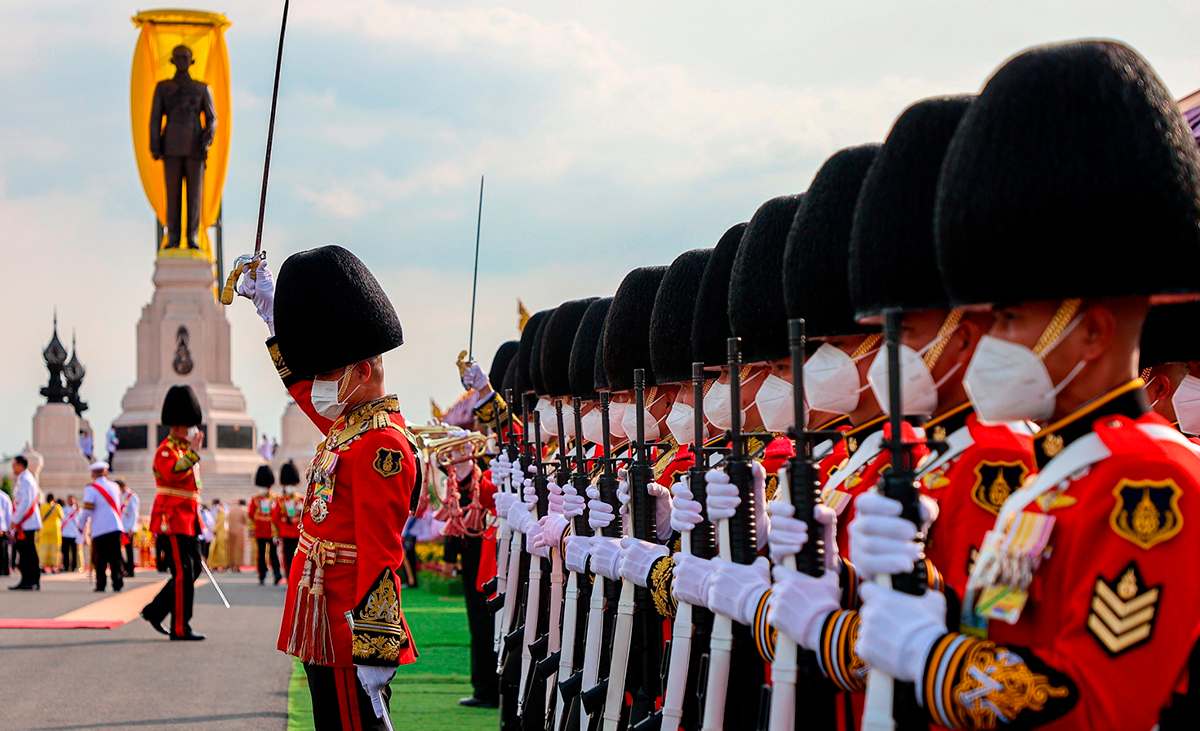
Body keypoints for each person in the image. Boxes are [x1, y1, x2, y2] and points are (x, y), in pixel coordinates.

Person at [852, 41, 1200, 727]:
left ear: (1094, 331)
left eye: (1009, 318)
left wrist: (929, 655)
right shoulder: (1063, 471)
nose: (989, 341)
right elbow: (1012, 635)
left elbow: (1100, 705)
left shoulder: (1151, 483)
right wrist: (924, 595)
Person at [238, 245, 419, 729]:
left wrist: (376, 646)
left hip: (345, 625)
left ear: (363, 371)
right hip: (321, 613)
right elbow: (303, 389)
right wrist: (274, 316)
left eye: (327, 371)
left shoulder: (382, 446)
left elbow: (381, 551)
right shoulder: (350, 426)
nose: (318, 381)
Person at [140, 385, 206, 640]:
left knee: (192, 571)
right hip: (173, 519)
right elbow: (173, 472)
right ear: (176, 426)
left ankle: (155, 612)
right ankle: (180, 627)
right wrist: (194, 453)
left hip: (188, 519)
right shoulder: (166, 450)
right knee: (182, 573)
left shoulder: (182, 450)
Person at [149, 44, 217, 250]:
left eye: (184, 57)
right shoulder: (163, 88)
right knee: (173, 195)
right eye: (177, 57)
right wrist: (154, 145)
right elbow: (154, 119)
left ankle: (193, 236)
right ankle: (174, 237)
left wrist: (207, 138)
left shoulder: (201, 88)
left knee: (194, 196)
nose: (181, 61)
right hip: (171, 146)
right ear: (172, 61)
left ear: (191, 61)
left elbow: (213, 118)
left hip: (195, 146)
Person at [80, 462, 125, 593]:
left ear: (93, 474)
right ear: (106, 473)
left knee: (100, 558)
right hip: (115, 525)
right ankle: (118, 583)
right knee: (116, 557)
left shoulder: (91, 489)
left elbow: (87, 510)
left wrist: (81, 525)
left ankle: (101, 584)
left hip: (100, 527)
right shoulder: (115, 487)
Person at [10, 455, 43, 590]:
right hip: (24, 522)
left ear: (20, 465)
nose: (12, 467)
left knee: (28, 552)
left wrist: (15, 520)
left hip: (27, 522)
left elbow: (25, 503)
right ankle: (26, 579)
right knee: (24, 552)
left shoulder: (26, 480)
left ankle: (33, 580)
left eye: (14, 464)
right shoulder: (22, 479)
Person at [250, 465, 282, 585]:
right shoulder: (255, 499)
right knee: (261, 554)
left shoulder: (276, 498)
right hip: (260, 530)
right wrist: (252, 528)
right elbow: (250, 515)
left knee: (274, 554)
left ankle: (277, 573)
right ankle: (262, 574)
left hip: (272, 530)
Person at [273, 461, 303, 577]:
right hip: (286, 531)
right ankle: (289, 576)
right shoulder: (280, 501)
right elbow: (275, 518)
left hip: (298, 532)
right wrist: (276, 534)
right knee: (288, 556)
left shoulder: (301, 500)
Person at [38, 493, 63, 572]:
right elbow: (61, 516)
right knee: (54, 548)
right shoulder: (57, 507)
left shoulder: (42, 507)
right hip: (54, 529)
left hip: (44, 528)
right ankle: (53, 566)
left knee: (43, 547)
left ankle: (42, 565)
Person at [119, 480, 140, 577]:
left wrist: (132, 527)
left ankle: (130, 570)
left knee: (129, 550)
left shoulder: (132, 496)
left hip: (129, 528)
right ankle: (126, 567)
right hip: (121, 527)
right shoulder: (120, 496)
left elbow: (134, 514)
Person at [61, 496, 82, 573]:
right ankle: (66, 566)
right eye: (69, 500)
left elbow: (80, 520)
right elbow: (62, 519)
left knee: (74, 551)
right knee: (65, 551)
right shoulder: (64, 509)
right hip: (65, 532)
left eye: (72, 500)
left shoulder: (78, 510)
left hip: (74, 533)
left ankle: (74, 566)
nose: (71, 502)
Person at [208, 499, 229, 569]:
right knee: (214, 549)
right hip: (218, 533)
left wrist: (214, 529)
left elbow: (220, 523)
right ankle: (215, 564)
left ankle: (223, 564)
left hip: (221, 533)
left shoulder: (222, 513)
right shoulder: (219, 513)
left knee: (221, 550)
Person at [228, 499, 247, 571]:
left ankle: (231, 564)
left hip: (230, 529)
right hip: (239, 530)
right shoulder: (243, 510)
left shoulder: (231, 509)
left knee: (231, 548)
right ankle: (237, 565)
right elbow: (245, 521)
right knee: (239, 548)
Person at [0, 486, 11, 576]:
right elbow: (9, 513)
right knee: (4, 548)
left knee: (2, 549)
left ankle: (3, 569)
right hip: (4, 527)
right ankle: (5, 569)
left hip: (1, 526)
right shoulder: (5, 496)